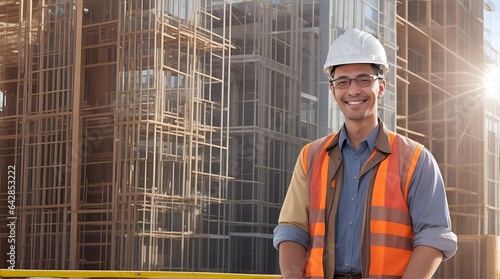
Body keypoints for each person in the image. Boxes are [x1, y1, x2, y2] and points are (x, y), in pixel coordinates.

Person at [273, 28, 457, 279]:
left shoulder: (415, 159)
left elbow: (434, 236)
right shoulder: (310, 156)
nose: (353, 91)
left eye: (363, 79)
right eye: (343, 82)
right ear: (332, 90)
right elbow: (292, 230)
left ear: (381, 87)